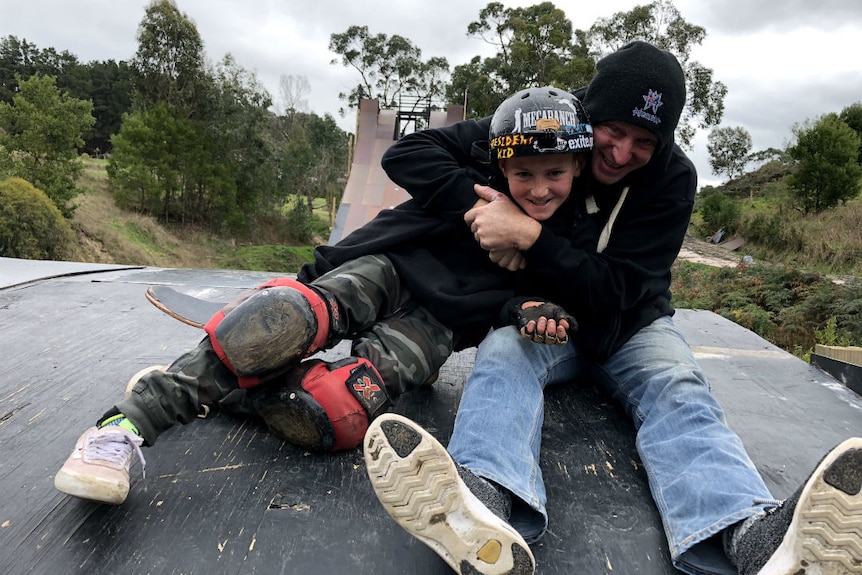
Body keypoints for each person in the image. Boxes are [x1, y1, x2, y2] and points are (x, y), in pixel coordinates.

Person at [363, 41, 862, 575]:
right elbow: (408, 154)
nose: (622, 154)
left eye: (643, 141)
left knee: (678, 386)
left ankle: (749, 536)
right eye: (613, 132)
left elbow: (622, 289)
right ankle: (482, 506)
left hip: (629, 323)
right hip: (544, 318)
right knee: (504, 356)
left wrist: (531, 236)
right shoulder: (546, 123)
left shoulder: (673, 179)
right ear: (588, 116)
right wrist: (489, 205)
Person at [53, 86, 593, 508]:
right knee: (278, 324)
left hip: (441, 324)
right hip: (393, 269)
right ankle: (128, 421)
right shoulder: (473, 180)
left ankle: (215, 389)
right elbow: (407, 156)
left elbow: (526, 297)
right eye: (523, 173)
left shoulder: (564, 236)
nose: (539, 187)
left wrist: (530, 310)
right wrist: (478, 209)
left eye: (554, 174)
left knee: (335, 414)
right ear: (500, 166)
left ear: (577, 169)